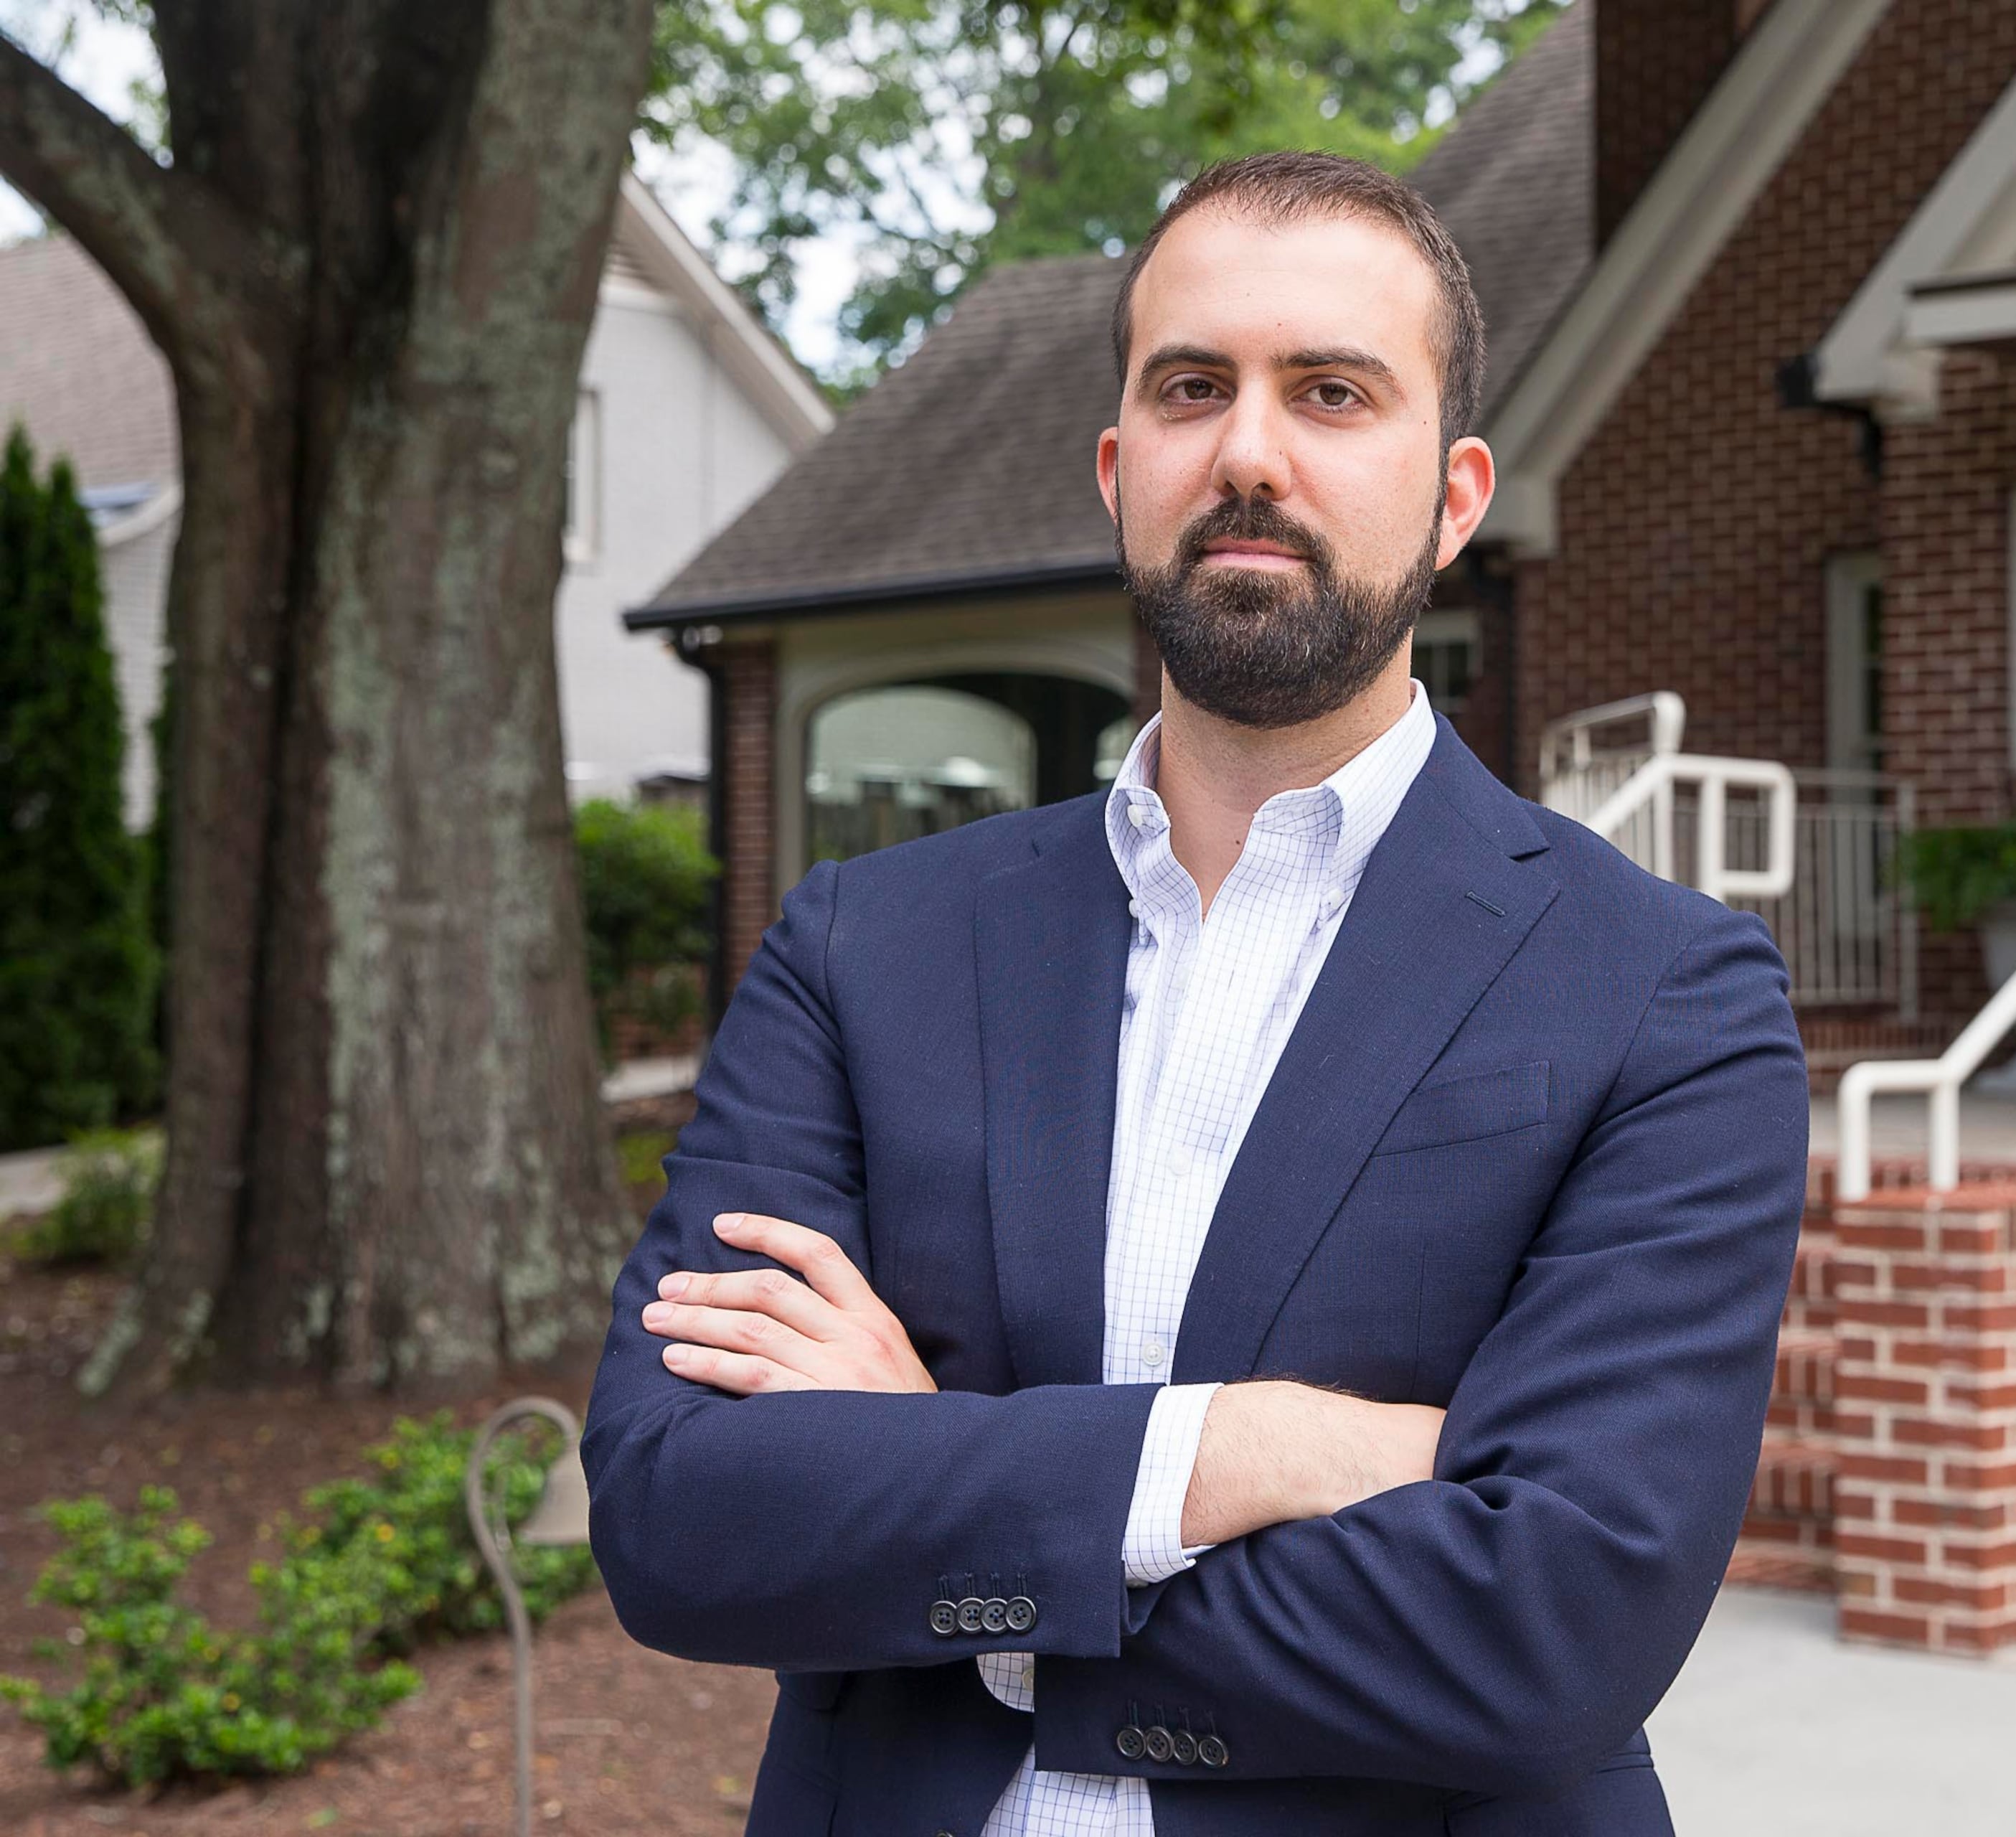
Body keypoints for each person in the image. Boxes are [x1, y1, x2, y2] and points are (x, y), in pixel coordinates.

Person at [580, 149, 1811, 1837]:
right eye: (1190, 387)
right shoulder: (865, 947)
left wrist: (941, 1493)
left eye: (1330, 390)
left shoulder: (1666, 994)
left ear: (1455, 496)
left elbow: (1555, 1631)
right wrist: (1249, 1450)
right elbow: (675, 1512)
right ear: (1117, 467)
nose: (1248, 449)